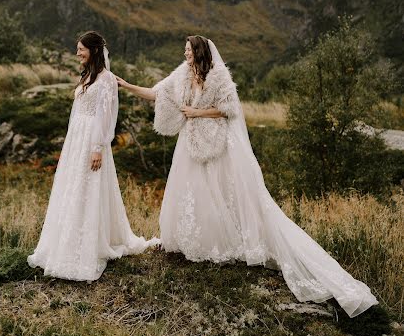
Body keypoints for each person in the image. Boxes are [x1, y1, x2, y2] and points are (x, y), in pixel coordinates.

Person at [116, 35, 378, 317]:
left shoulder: (219, 76)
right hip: (190, 144)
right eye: (185, 50)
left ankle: (227, 241)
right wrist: (126, 85)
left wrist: (197, 112)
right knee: (191, 192)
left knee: (218, 191)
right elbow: (157, 92)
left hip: (217, 144)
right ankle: (195, 240)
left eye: (189, 49)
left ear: (200, 52)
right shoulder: (180, 74)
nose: (185, 53)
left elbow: (229, 109)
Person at [28, 31, 157, 281]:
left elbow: (106, 115)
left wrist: (97, 146)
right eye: (77, 49)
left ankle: (87, 246)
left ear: (94, 50)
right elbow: (78, 112)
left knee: (89, 187)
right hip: (77, 139)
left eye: (81, 49)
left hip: (92, 140)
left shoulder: (107, 79)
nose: (77, 53)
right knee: (72, 187)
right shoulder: (87, 76)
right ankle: (66, 242)